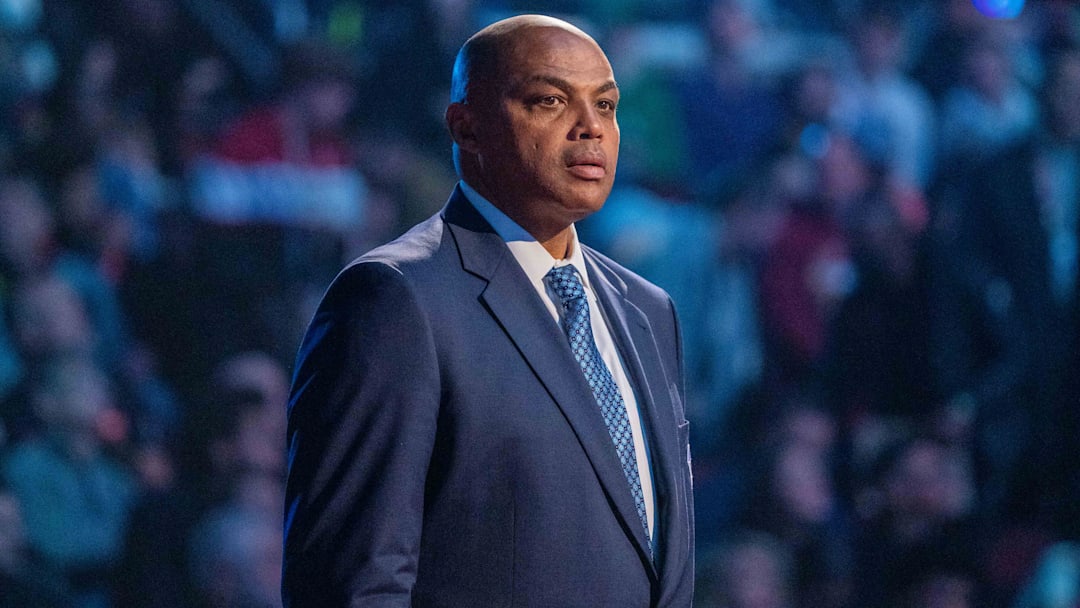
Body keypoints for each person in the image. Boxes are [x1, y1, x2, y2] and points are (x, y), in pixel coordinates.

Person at [282, 14, 694, 607]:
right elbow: (352, 585)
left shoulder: (650, 312)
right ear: (466, 126)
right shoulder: (394, 299)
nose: (590, 129)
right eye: (551, 100)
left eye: (605, 106)